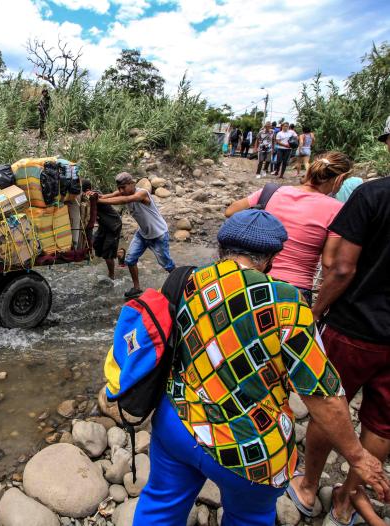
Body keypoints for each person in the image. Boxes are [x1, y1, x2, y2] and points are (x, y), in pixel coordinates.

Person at [132, 209, 390, 526]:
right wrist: (357, 455)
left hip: (176, 425)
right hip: (248, 448)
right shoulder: (286, 301)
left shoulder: (186, 280)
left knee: (160, 503)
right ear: (271, 258)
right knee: (249, 517)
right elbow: (321, 394)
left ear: (221, 249)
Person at [287, 115, 390, 526]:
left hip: (356, 326)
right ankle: (348, 499)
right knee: (382, 422)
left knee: (332, 406)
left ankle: (309, 487)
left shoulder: (372, 195)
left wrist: (315, 312)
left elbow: (340, 268)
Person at [225, 151, 351, 305]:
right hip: (295, 291)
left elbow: (230, 211)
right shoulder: (337, 210)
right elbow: (328, 263)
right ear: (339, 180)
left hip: (253, 280)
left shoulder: (273, 192)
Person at [96, 172, 174, 299]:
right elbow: (111, 195)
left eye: (123, 187)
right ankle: (136, 288)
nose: (121, 191)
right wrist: (97, 196)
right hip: (143, 234)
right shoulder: (124, 192)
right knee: (130, 260)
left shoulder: (142, 193)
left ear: (132, 184)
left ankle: (180, 280)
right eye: (119, 188)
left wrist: (100, 201)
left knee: (166, 264)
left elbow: (125, 199)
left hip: (158, 235)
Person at [82, 179, 122, 281]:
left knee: (107, 253)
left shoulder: (95, 195)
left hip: (113, 225)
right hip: (103, 225)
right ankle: (119, 254)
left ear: (87, 190)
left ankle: (112, 276)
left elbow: (97, 196)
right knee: (96, 245)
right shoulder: (85, 196)